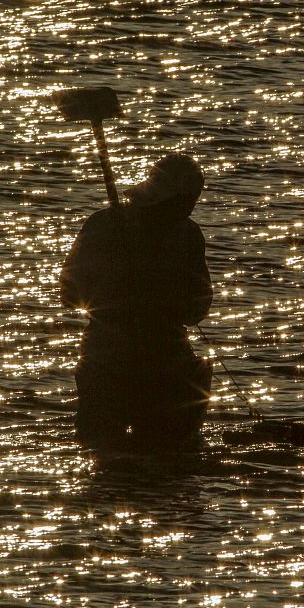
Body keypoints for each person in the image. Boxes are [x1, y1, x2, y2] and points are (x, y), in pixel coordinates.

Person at [59, 154, 213, 449]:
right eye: (187, 201)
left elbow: (198, 307)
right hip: (112, 353)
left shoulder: (187, 234)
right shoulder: (107, 226)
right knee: (104, 446)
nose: (190, 207)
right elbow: (70, 293)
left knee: (162, 446)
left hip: (161, 352)